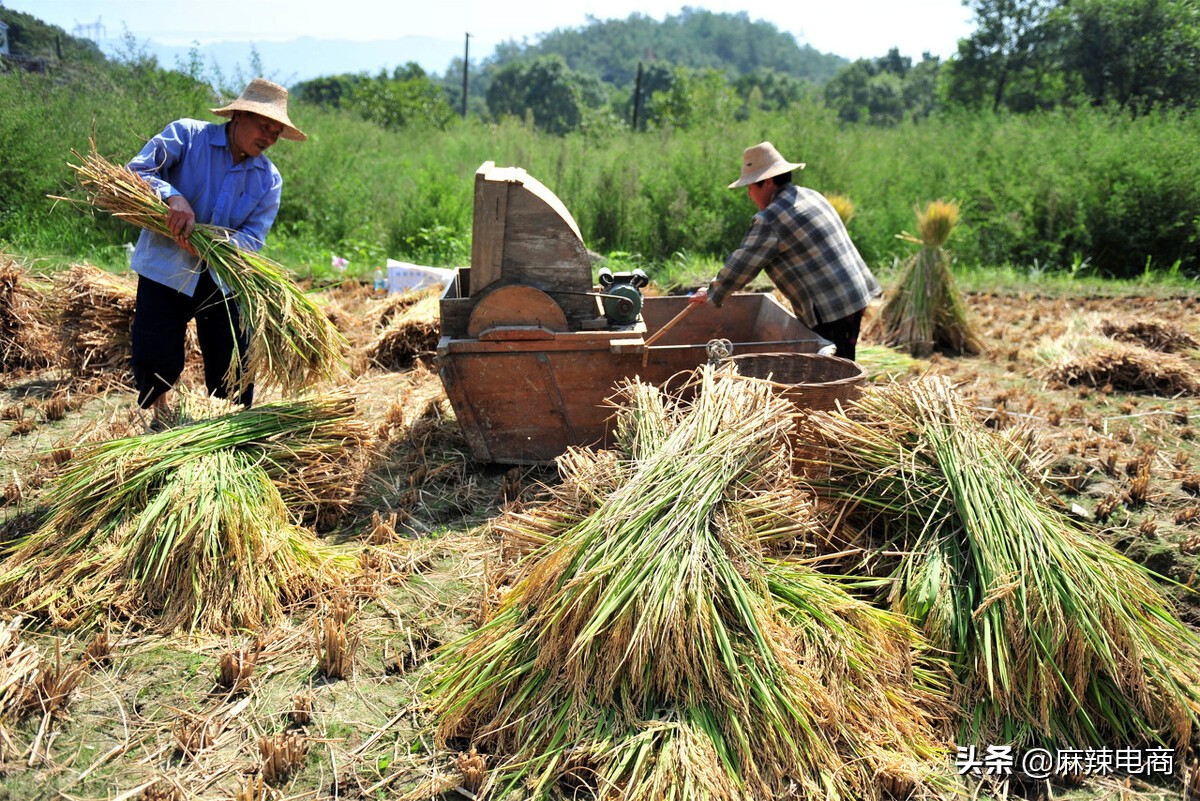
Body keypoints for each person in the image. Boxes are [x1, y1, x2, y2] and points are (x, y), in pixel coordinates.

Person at [126, 78, 306, 414]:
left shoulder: (269, 179)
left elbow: (253, 236)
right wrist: (172, 197)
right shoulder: (187, 136)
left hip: (222, 278)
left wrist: (215, 246)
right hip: (166, 267)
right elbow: (137, 170)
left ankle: (229, 422)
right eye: (264, 126)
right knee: (155, 352)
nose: (268, 137)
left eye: (276, 132)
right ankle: (160, 413)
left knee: (234, 357)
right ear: (238, 116)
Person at [690, 141, 879, 361]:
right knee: (844, 359)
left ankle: (844, 394)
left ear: (768, 182)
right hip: (855, 294)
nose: (749, 194)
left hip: (831, 305)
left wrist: (713, 291)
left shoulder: (771, 218)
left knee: (835, 368)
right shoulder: (810, 194)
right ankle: (848, 392)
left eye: (751, 186)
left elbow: (743, 264)